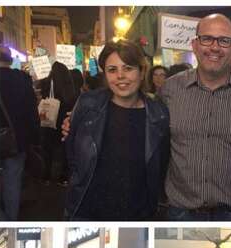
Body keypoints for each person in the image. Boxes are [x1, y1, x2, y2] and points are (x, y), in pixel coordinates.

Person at [158, 14, 231, 220]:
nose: (214, 47)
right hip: (180, 212)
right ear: (194, 45)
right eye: (207, 39)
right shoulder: (170, 90)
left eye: (224, 40)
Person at [65, 39, 170, 220]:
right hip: (87, 211)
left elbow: (161, 165)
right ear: (105, 74)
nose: (120, 76)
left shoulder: (158, 114)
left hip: (137, 214)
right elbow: (72, 154)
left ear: (142, 72)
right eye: (112, 70)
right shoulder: (88, 104)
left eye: (128, 68)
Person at [0, 46, 40, 221]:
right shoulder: (22, 79)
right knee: (12, 182)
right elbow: (32, 110)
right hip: (17, 139)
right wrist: (34, 136)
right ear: (10, 60)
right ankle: (10, 218)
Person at [40, 61, 78, 186]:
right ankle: (63, 176)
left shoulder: (47, 83)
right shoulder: (69, 86)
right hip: (63, 120)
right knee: (63, 148)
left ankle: (46, 176)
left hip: (49, 120)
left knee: (48, 149)